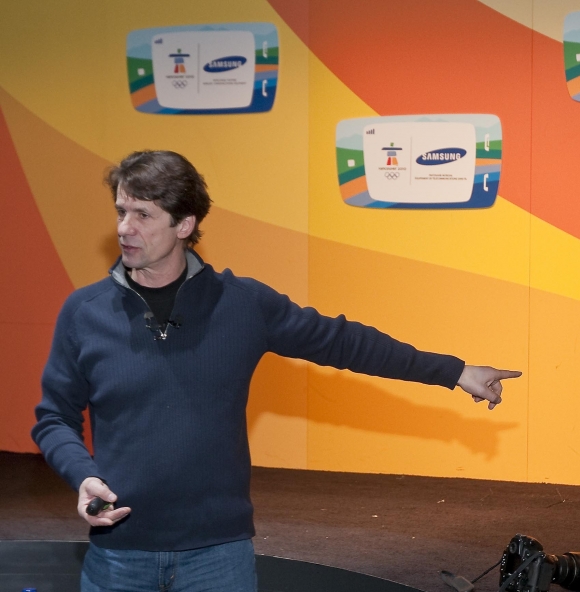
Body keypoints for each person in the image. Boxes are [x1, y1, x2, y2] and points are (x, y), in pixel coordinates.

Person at [31, 150, 521, 591]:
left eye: (142, 214)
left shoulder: (242, 305)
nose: (124, 228)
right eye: (121, 211)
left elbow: (346, 342)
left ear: (184, 225)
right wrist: (83, 476)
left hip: (218, 557)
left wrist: (454, 371)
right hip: (118, 555)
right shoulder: (84, 313)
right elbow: (54, 418)